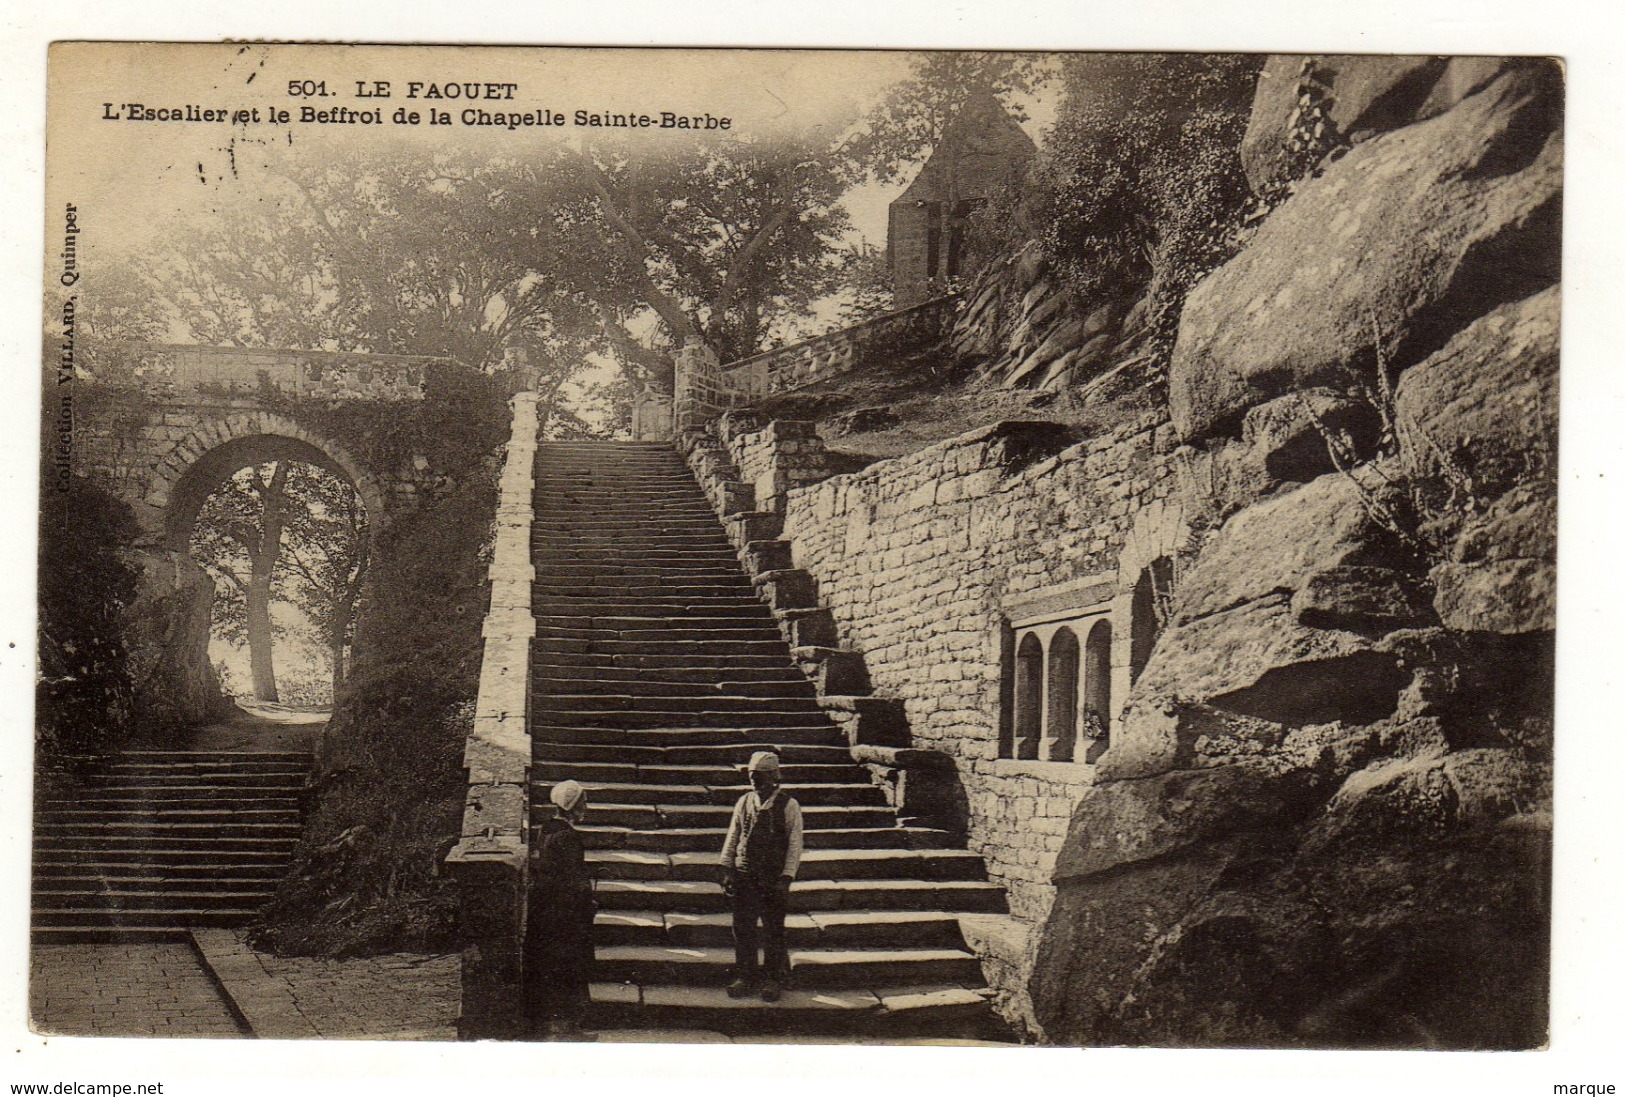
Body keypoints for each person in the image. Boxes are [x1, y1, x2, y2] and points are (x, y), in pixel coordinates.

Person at [719, 751, 804, 1002]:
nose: (754, 781)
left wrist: (786, 877)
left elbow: (795, 844)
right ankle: (746, 976)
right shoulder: (744, 802)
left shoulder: (789, 805)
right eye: (751, 776)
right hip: (745, 874)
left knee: (773, 929)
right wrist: (726, 868)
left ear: (774, 777)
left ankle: (772, 978)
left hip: (772, 877)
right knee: (743, 928)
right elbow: (733, 835)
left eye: (759, 776)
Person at [523, 779, 597, 1040]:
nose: (585, 807)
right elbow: (573, 879)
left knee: (553, 967)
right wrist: (588, 901)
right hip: (565, 914)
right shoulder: (568, 837)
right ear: (573, 807)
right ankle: (566, 1029)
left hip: (546, 909)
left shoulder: (545, 831)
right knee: (568, 967)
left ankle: (558, 1027)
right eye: (583, 802)